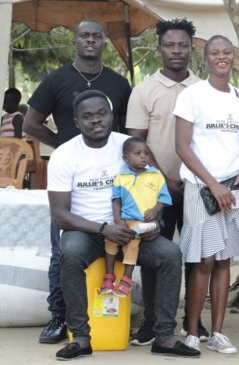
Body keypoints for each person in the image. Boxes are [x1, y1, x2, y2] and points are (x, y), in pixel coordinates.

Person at [48, 90, 198, 360]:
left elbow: (155, 186)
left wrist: (155, 222)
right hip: (87, 232)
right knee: (69, 253)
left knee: (170, 254)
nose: (96, 120)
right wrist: (103, 229)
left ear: (112, 116)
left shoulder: (129, 147)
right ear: (76, 122)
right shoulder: (64, 154)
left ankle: (164, 336)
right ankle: (80, 337)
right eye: (87, 116)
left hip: (131, 231)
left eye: (101, 113)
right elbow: (60, 215)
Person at [24, 19, 131, 344]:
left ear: (104, 42)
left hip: (109, 178)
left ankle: (121, 315)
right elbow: (31, 123)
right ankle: (59, 317)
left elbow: (126, 130)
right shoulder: (56, 79)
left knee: (123, 246)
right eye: (84, 35)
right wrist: (62, 145)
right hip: (70, 175)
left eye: (97, 36)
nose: (90, 40)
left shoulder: (118, 83)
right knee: (62, 252)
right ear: (74, 41)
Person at [125, 18, 207, 345]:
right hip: (154, 191)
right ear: (159, 49)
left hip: (196, 188)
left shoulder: (203, 90)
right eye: (170, 45)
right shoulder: (144, 91)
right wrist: (164, 180)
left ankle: (193, 321)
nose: (176, 51)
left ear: (191, 49)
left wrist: (193, 178)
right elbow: (136, 142)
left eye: (183, 45)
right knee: (155, 254)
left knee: (195, 255)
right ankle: (152, 321)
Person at [174, 35, 239, 355]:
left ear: (234, 57)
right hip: (200, 187)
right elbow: (181, 146)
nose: (222, 57)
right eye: (215, 53)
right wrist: (212, 185)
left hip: (232, 188)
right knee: (204, 260)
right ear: (205, 58)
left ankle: (218, 333)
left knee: (223, 260)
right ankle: (193, 332)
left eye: (227, 52)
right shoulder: (192, 95)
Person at [101, 137, 171, 298]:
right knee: (110, 239)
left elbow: (164, 199)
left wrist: (155, 210)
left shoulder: (156, 175)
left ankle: (126, 278)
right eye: (137, 153)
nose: (143, 156)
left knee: (132, 242)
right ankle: (109, 275)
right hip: (122, 220)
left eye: (146, 153)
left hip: (140, 221)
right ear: (126, 158)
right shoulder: (121, 177)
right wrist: (117, 220)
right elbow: (116, 201)